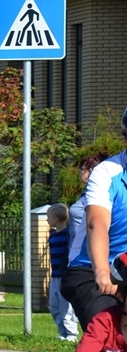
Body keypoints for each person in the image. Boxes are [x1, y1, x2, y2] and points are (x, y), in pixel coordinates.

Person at [63, 110, 127, 328]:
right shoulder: (107, 173)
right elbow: (96, 224)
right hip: (90, 270)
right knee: (111, 330)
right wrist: (102, 272)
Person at [47, 203, 78, 342]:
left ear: (56, 219)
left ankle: (71, 333)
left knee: (66, 307)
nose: (47, 220)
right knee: (54, 305)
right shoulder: (52, 235)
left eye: (48, 217)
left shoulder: (68, 234)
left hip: (64, 275)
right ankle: (62, 332)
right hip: (54, 276)